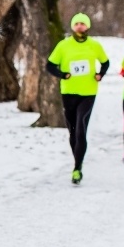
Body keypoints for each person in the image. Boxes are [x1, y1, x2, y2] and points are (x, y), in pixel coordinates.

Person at [46, 12, 110, 184]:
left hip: (88, 92)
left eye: (83, 23)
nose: (80, 26)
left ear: (87, 26)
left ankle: (77, 168)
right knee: (73, 132)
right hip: (68, 92)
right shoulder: (63, 45)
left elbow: (105, 62)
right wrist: (62, 74)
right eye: (77, 24)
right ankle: (77, 163)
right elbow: (50, 65)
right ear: (73, 27)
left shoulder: (94, 45)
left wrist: (100, 74)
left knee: (81, 126)